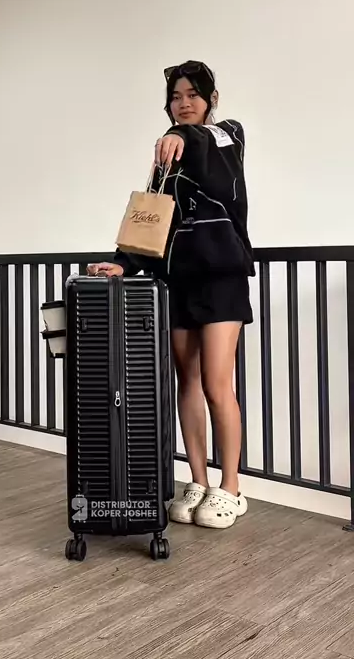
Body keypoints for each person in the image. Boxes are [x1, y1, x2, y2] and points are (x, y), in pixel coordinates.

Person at [88, 60, 255, 530]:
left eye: (192, 95)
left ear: (211, 99)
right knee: (188, 383)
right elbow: (152, 219)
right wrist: (122, 263)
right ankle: (198, 481)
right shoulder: (167, 158)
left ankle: (231, 488)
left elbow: (217, 165)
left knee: (217, 384)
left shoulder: (226, 136)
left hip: (222, 278)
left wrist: (181, 135)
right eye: (176, 97)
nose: (184, 103)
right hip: (179, 280)